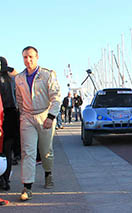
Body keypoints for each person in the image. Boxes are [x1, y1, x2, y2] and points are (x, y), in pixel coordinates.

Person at [15, 46, 61, 201]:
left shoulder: (47, 75)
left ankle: (48, 173)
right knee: (28, 152)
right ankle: (27, 187)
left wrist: (51, 116)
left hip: (44, 115)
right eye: (25, 57)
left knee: (46, 150)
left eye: (30, 56)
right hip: (27, 117)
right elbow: (19, 99)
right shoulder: (19, 78)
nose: (28, 60)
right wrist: (23, 114)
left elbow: (56, 97)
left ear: (37, 57)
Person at [0, 57, 20, 191]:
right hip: (12, 115)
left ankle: (3, 179)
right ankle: (5, 180)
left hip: (3, 114)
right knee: (8, 151)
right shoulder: (13, 78)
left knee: (4, 150)